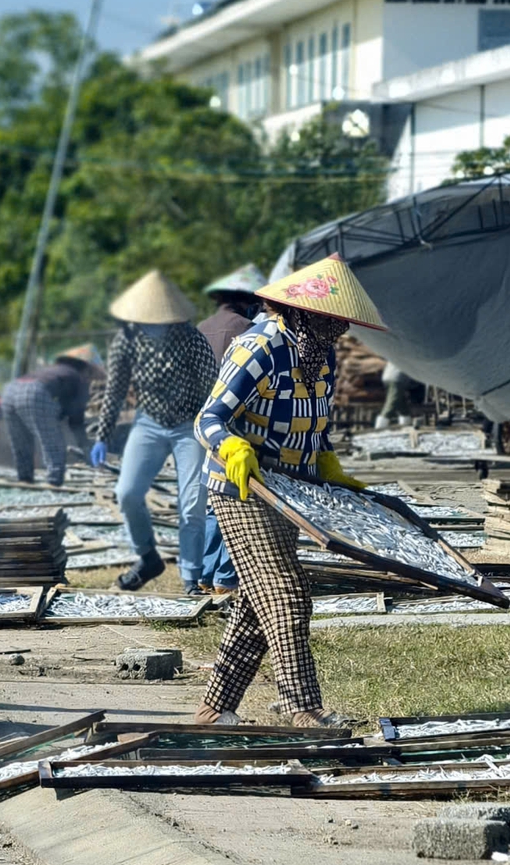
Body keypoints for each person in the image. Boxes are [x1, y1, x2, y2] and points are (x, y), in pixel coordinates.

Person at [192, 254, 388, 729]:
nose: (338, 329)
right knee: (287, 592)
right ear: (302, 312)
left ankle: (215, 709)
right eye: (330, 319)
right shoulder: (258, 346)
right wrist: (235, 448)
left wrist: (325, 458)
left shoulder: (321, 354)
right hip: (243, 487)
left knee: (258, 602)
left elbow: (315, 420)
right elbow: (209, 418)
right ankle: (302, 707)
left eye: (341, 322)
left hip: (291, 495)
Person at [86, 270, 217, 595]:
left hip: (190, 424)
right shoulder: (126, 339)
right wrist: (102, 435)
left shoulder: (190, 338)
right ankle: (147, 557)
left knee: (192, 504)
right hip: (149, 423)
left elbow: (213, 384)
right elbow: (114, 390)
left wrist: (216, 429)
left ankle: (191, 578)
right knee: (127, 493)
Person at [191, 265, 267, 596]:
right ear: (249, 300)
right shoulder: (247, 330)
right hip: (231, 427)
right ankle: (225, 577)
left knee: (211, 502)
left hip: (198, 424)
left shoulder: (199, 329)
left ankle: (205, 574)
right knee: (236, 500)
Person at [2, 346, 97, 487]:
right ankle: (54, 481)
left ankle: (25, 478)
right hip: (34, 391)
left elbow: (63, 406)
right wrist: (84, 444)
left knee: (21, 440)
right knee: (53, 442)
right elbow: (76, 419)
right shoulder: (78, 378)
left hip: (9, 391)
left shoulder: (55, 371)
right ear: (86, 368)